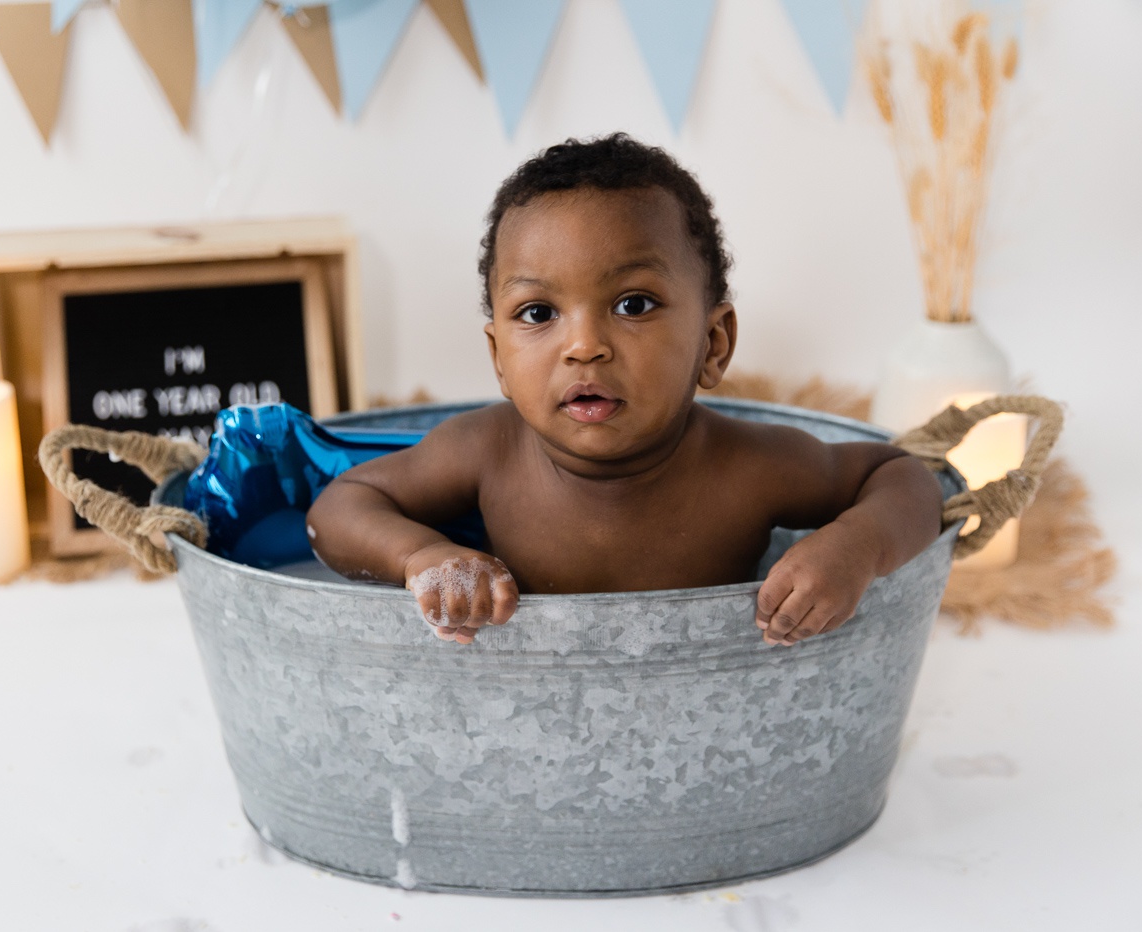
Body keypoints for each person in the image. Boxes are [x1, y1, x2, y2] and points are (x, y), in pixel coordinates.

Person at [307, 133, 943, 647]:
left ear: (713, 344)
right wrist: (423, 555)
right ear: (498, 357)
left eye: (633, 304)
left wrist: (858, 545)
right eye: (537, 313)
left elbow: (904, 476)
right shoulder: (487, 450)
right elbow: (338, 510)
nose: (584, 345)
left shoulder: (751, 466)